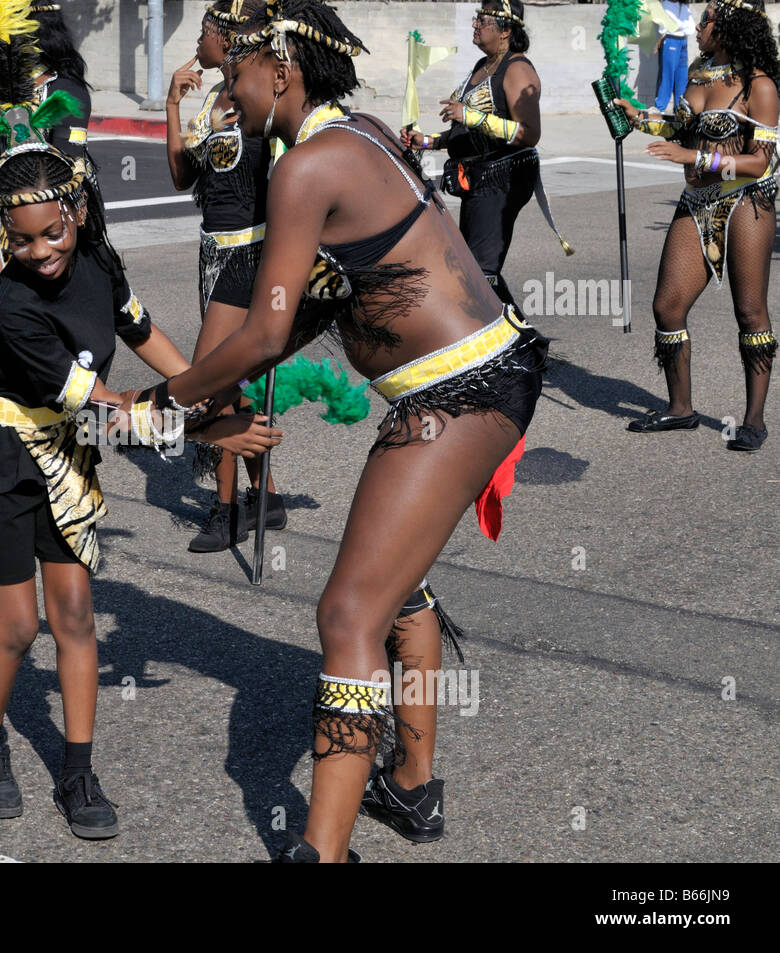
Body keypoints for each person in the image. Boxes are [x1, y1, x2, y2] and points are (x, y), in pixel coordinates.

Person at [118, 0, 548, 862]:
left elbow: (269, 333)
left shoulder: (306, 166)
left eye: (236, 73)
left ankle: (323, 850)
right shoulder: (364, 132)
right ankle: (414, 786)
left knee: (348, 610)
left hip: (460, 390)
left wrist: (166, 398)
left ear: (280, 71)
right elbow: (319, 300)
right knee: (396, 585)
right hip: (484, 371)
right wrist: (211, 395)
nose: (225, 89)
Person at [0, 2, 281, 840]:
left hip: (67, 447)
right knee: (17, 622)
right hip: (2, 448)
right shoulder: (12, 310)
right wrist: (204, 429)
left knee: (74, 617)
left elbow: (149, 339)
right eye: (21, 239)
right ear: (4, 234)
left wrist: (215, 386)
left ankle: (76, 768)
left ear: (79, 212)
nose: (41, 251)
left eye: (53, 231)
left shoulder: (97, 258)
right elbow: (109, 410)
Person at [616, 0, 779, 451]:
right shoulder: (698, 73)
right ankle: (680, 408)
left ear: (725, 28)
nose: (696, 26)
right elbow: (681, 129)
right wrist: (642, 119)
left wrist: (697, 158)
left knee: (749, 311)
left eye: (705, 20)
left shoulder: (758, 85)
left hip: (745, 199)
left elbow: (759, 162)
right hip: (695, 201)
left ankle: (753, 419)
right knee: (668, 306)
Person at [165, 0, 285, 553]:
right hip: (211, 252)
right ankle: (266, 497)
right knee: (236, 380)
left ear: (231, 37)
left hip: (249, 256)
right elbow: (179, 175)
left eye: (206, 31)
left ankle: (225, 508)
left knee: (214, 378)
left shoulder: (260, 98)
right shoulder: (214, 99)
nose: (199, 41)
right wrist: (173, 105)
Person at [402, 0, 568, 310]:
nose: (476, 24)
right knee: (472, 268)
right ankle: (504, 341)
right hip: (478, 176)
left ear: (506, 30)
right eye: (477, 18)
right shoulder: (483, 66)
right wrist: (425, 142)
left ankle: (523, 345)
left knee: (481, 272)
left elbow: (529, 133)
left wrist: (472, 117)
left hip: (504, 176)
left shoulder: (517, 68)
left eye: (484, 20)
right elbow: (465, 133)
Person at [0, 1, 97, 294]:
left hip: (57, 213)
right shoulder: (3, 92)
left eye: (9, 28)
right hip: (4, 211)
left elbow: (70, 167)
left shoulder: (65, 89)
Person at [657, 1, 695, 114]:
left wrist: (678, 25)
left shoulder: (683, 6)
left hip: (683, 41)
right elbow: (668, 25)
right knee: (667, 75)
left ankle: (679, 109)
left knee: (682, 76)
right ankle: (660, 108)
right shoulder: (666, 4)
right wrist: (680, 25)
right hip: (670, 40)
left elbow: (691, 28)